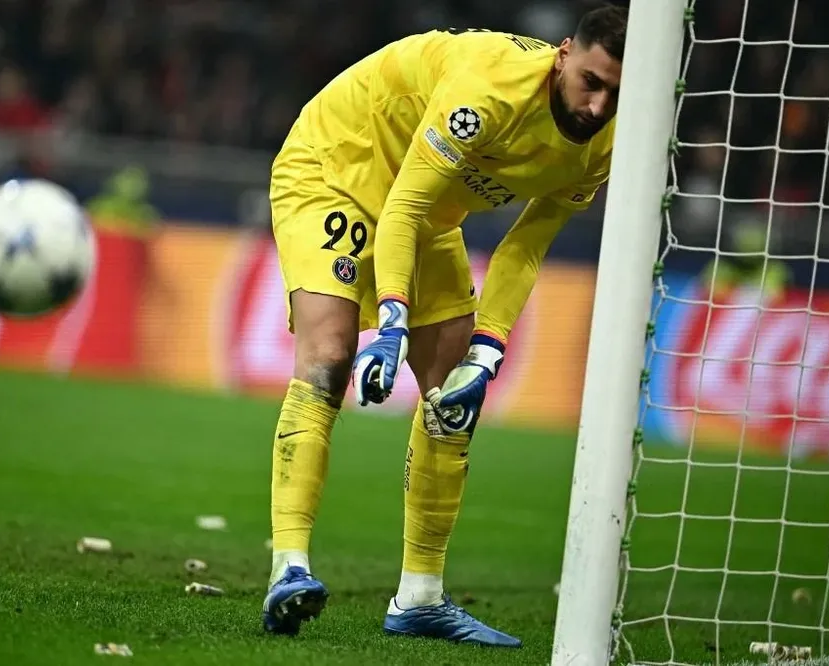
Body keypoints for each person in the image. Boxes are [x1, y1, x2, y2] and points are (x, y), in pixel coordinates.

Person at [263, 4, 626, 648]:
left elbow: (522, 250)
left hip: (427, 210)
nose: (597, 106)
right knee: (329, 355)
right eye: (590, 82)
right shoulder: (489, 90)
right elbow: (400, 205)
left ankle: (420, 597)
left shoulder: (602, 147)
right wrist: (394, 319)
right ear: (565, 55)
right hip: (340, 163)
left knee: (452, 395)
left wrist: (487, 355)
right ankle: (288, 568)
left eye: (615, 94)